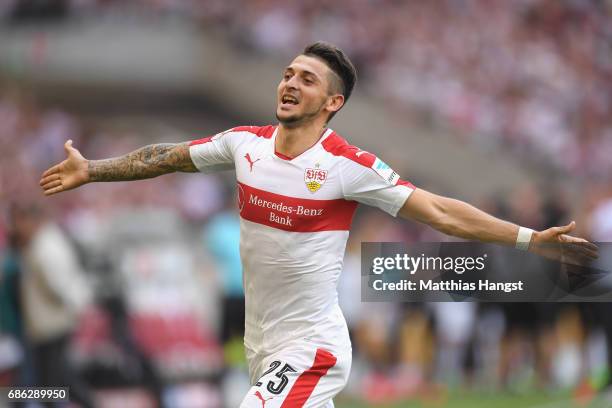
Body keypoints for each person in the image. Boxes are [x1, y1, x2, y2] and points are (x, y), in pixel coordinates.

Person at [39, 42, 597, 407]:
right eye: (287, 73)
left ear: (332, 101)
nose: (289, 82)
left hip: (312, 346)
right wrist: (93, 170)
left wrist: (528, 240)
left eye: (305, 79)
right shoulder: (243, 144)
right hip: (261, 341)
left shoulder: (347, 166)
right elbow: (164, 156)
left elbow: (442, 210)